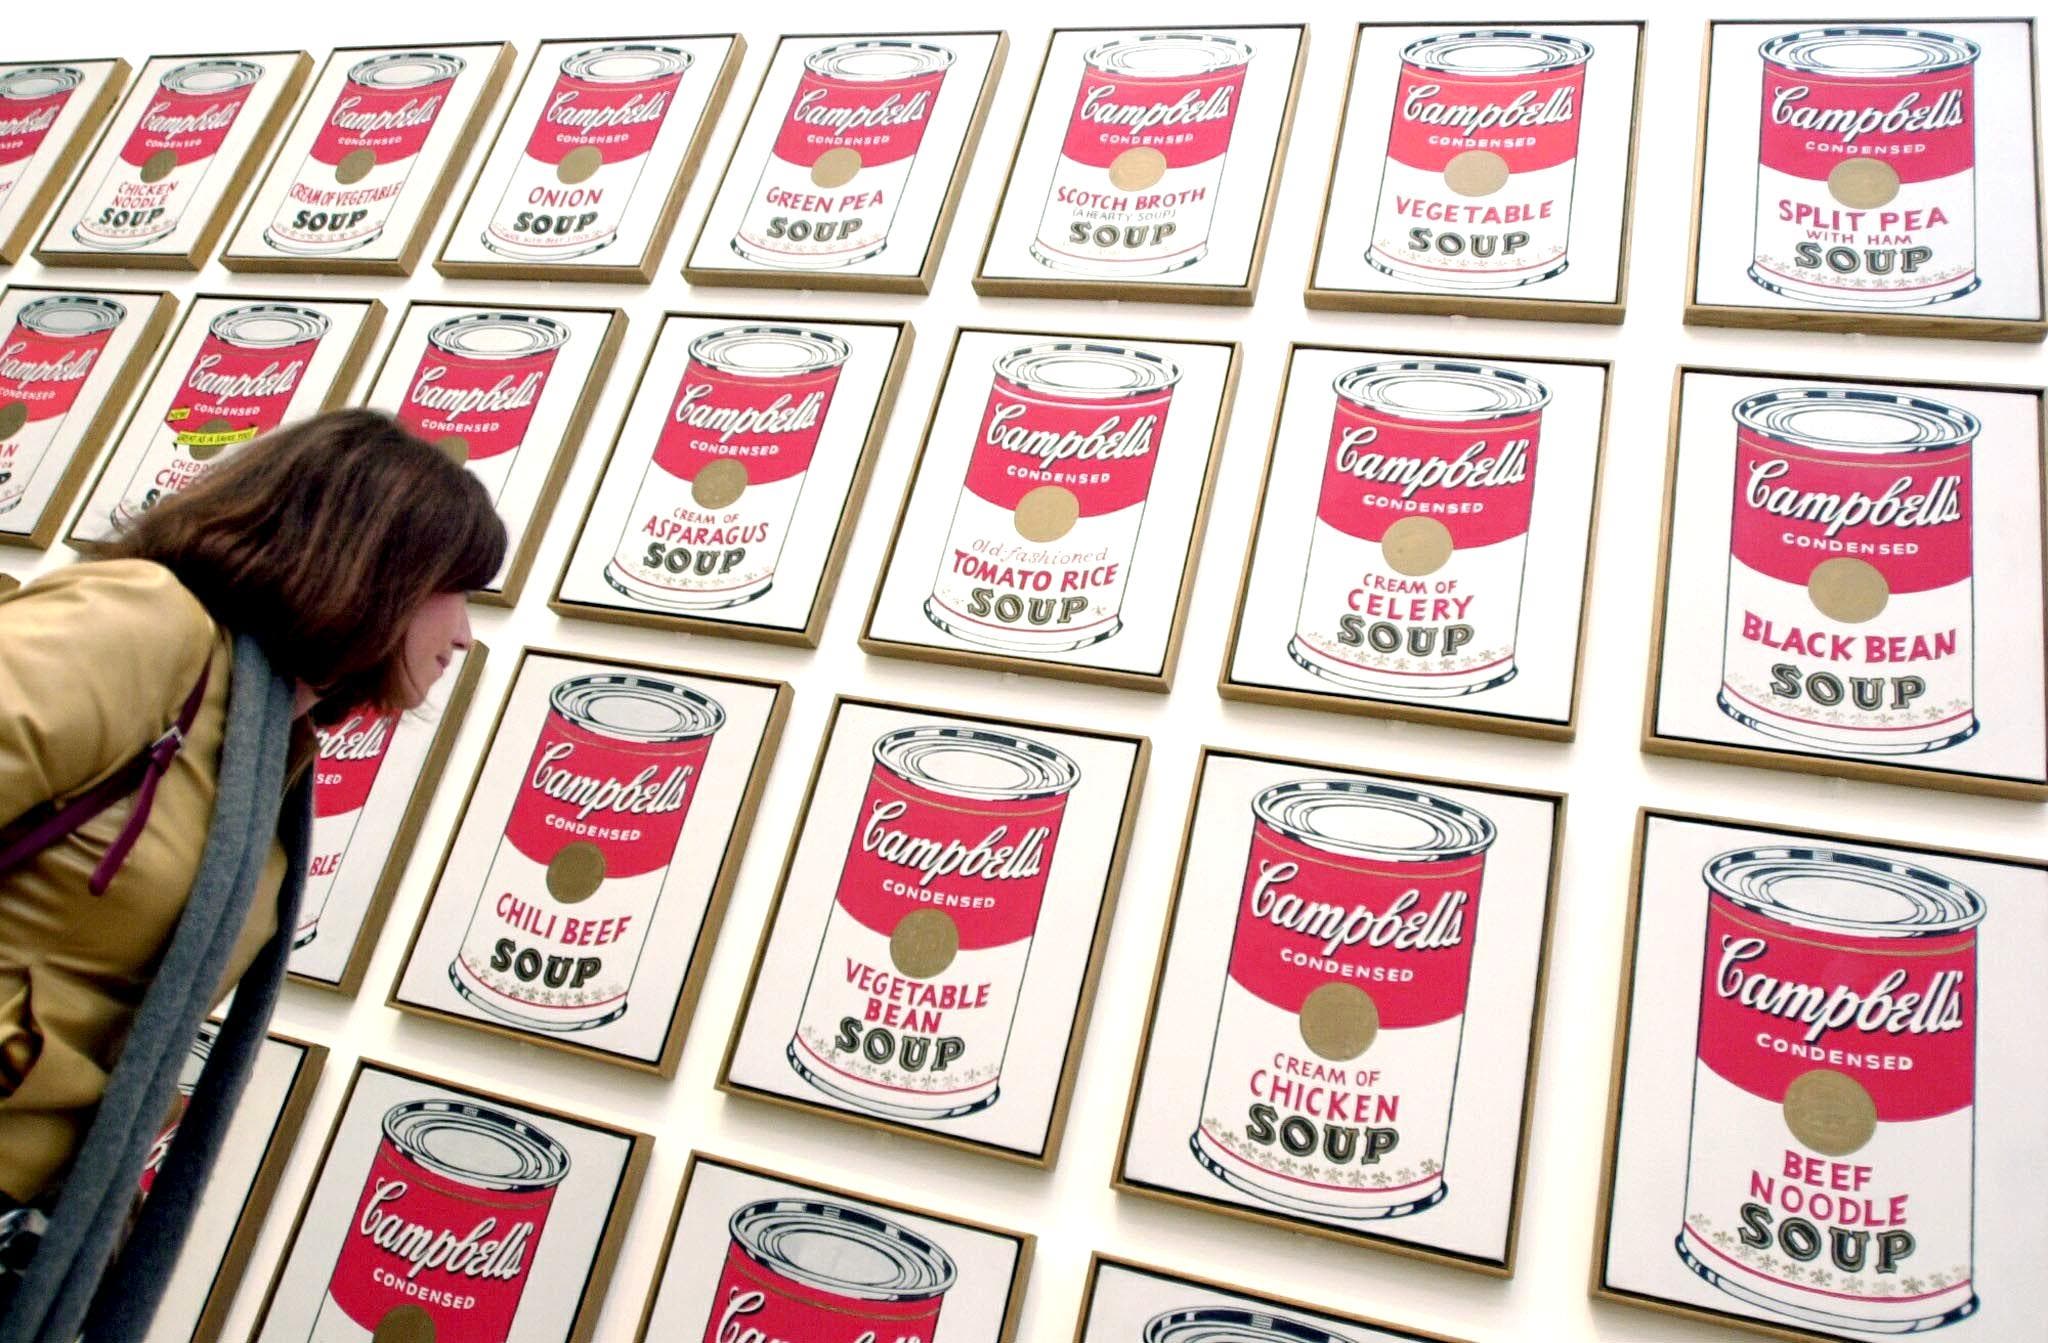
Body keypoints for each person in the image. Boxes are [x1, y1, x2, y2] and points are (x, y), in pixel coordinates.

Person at [0, 409, 504, 1343]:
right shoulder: (145, 624)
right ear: (369, 558)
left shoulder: (266, 741)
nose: (465, 632)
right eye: (456, 588)